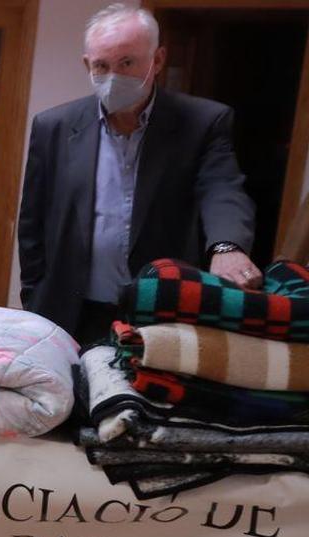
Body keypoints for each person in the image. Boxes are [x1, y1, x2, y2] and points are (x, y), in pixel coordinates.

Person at [17, 3, 256, 344]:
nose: (113, 76)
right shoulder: (54, 127)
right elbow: (32, 223)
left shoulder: (202, 123)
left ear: (157, 60)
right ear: (87, 64)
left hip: (160, 313)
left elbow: (222, 188)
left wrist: (226, 245)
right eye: (101, 65)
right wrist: (35, 295)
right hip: (69, 311)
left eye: (127, 62)